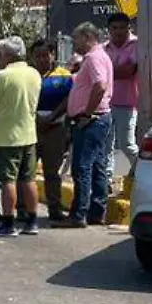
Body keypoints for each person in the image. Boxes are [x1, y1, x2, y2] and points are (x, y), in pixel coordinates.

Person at [0, 36, 42, 237]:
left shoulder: (2, 76)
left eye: (0, 54)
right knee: (29, 179)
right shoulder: (34, 73)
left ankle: (8, 222)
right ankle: (32, 221)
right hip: (29, 133)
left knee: (7, 180)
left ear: (7, 55)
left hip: (6, 136)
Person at [59, 22, 115, 228]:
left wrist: (87, 112)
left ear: (87, 37)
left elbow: (100, 85)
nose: (74, 44)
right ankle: (96, 212)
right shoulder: (99, 56)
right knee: (97, 165)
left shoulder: (93, 58)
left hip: (91, 120)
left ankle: (78, 214)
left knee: (82, 167)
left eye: (76, 39)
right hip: (98, 119)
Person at [31, 39, 74, 224]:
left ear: (53, 55)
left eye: (45, 55)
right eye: (38, 56)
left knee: (52, 171)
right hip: (31, 129)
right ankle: (24, 209)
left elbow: (69, 99)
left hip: (56, 127)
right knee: (27, 172)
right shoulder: (29, 75)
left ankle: (54, 209)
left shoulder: (65, 76)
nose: (42, 59)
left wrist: (53, 116)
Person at [105, 12, 140, 172]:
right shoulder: (103, 48)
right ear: (109, 30)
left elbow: (128, 71)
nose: (118, 31)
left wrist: (105, 71)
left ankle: (142, 172)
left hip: (128, 103)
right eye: (114, 28)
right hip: (106, 104)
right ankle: (107, 180)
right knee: (107, 146)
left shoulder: (137, 45)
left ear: (129, 28)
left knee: (127, 145)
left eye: (122, 28)